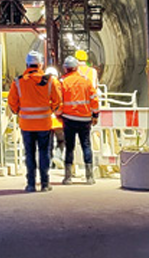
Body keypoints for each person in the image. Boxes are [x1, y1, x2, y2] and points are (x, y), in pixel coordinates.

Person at [8, 51, 62, 192]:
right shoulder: (50, 81)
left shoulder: (18, 82)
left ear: (27, 64)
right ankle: (45, 184)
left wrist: (19, 112)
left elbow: (12, 103)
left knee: (29, 154)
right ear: (40, 64)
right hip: (44, 124)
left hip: (26, 124)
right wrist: (49, 110)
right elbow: (57, 101)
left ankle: (31, 184)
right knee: (44, 153)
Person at [60, 55, 100, 185]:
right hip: (84, 118)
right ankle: (89, 177)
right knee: (86, 145)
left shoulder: (62, 82)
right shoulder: (86, 81)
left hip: (68, 119)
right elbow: (94, 99)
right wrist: (95, 115)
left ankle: (68, 177)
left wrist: (59, 115)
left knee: (69, 147)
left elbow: (58, 101)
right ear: (77, 68)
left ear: (66, 69)